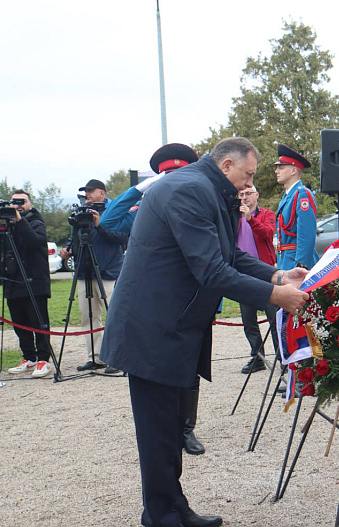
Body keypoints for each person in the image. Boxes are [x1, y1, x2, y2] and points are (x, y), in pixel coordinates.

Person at [100, 137, 309, 527]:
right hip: (152, 330)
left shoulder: (206, 189)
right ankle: (161, 516)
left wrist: (276, 273)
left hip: (171, 327)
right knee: (158, 431)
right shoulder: (190, 191)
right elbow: (211, 270)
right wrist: (277, 295)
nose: (249, 185)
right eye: (247, 175)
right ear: (227, 165)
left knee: (171, 427)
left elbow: (229, 255)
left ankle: (173, 508)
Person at [100, 143, 210, 455]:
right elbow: (109, 223)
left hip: (192, 298)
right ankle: (167, 429)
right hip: (156, 304)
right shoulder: (145, 207)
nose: (172, 180)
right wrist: (138, 189)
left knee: (191, 365)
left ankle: (186, 429)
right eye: (165, 175)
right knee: (159, 371)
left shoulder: (196, 204)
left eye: (178, 173)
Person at [59, 179, 128, 373]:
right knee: (88, 316)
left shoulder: (116, 210)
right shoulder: (81, 213)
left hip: (107, 271)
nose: (87, 194)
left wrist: (99, 226)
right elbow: (74, 238)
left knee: (112, 315)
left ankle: (117, 357)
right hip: (84, 271)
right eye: (85, 192)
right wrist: (67, 249)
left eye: (91, 191)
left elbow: (122, 238)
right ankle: (95, 357)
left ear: (102, 193)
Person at [4, 190, 54, 378]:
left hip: (34, 281)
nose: (18, 205)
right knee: (19, 323)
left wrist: (19, 220)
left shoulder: (36, 222)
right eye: (14, 202)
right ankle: (29, 357)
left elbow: (36, 242)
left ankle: (44, 359)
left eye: (22, 201)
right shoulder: (6, 226)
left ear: (30, 204)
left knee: (38, 322)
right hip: (14, 280)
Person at [235, 185, 280, 373]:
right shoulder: (234, 217)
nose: (244, 197)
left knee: (274, 318)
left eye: (248, 194)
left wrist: (250, 219)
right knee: (248, 320)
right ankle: (257, 356)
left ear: (256, 195)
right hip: (243, 275)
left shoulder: (267, 214)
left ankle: (283, 357)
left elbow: (268, 234)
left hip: (265, 273)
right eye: (241, 194)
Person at [273, 144, 319, 270]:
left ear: (293, 170)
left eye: (281, 167)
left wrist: (301, 265)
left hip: (295, 263)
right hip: (285, 260)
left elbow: (306, 235)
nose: (276, 171)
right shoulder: (289, 195)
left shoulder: (302, 194)